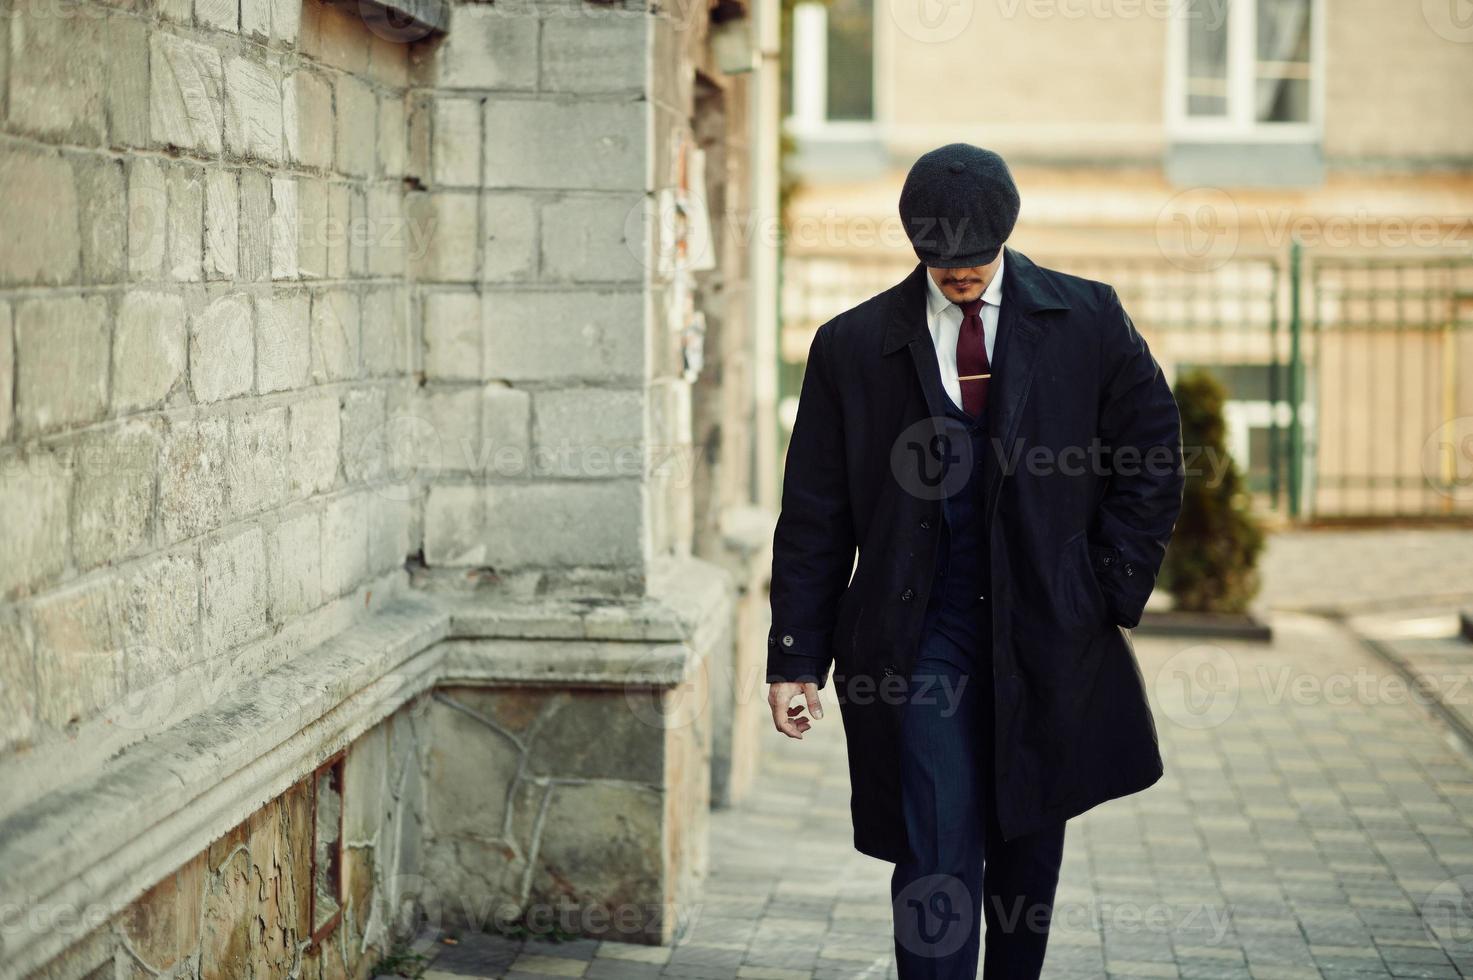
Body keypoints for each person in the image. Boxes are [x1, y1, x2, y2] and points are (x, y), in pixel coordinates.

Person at [765, 143, 1185, 979]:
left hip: (1046, 632)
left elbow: (1152, 453)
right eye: (940, 259)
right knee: (934, 847)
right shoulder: (850, 347)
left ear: (1006, 234)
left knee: (1026, 848)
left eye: (973, 258)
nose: (958, 274)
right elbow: (815, 514)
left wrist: (1104, 586)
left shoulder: (1088, 318)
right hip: (916, 638)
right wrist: (795, 658)